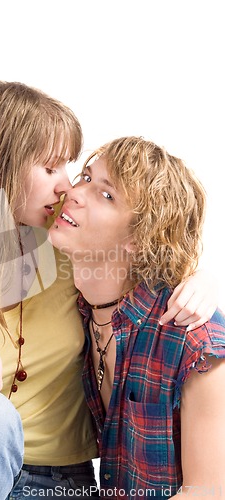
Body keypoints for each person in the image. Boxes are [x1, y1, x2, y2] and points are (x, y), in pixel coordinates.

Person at [0, 82, 218, 499]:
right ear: (0, 169)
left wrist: (202, 280)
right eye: (51, 169)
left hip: (61, 483)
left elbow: (152, 242)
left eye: (70, 168)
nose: (67, 186)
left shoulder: (66, 248)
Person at [48, 136, 225, 499]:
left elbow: (208, 492)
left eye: (107, 195)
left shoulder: (194, 341)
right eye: (86, 177)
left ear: (139, 238)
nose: (76, 193)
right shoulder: (77, 306)